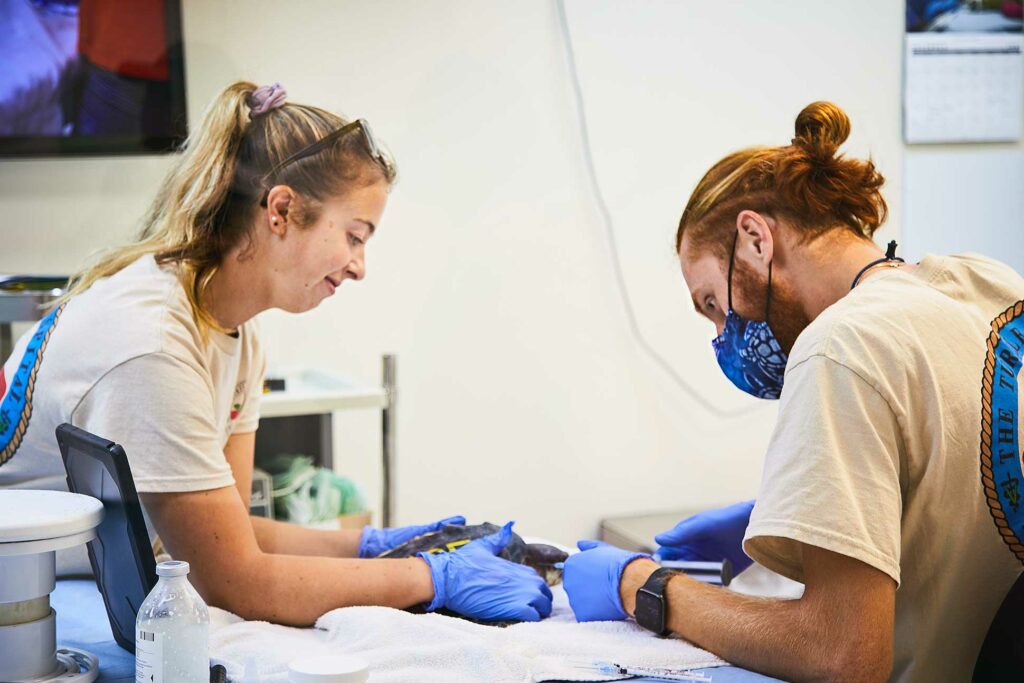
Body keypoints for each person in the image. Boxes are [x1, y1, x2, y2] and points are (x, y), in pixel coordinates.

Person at [0, 81, 552, 626]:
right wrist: (432, 579)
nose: (360, 265)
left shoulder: (234, 332)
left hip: (77, 582)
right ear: (282, 210)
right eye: (356, 236)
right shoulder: (153, 343)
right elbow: (233, 581)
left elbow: (230, 528)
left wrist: (375, 545)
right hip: (24, 600)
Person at [562, 101, 1024, 681]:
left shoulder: (839, 345)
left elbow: (840, 657)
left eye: (713, 304)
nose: (722, 337)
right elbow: (974, 461)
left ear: (754, 238)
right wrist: (818, 511)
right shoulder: (988, 283)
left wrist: (643, 586)